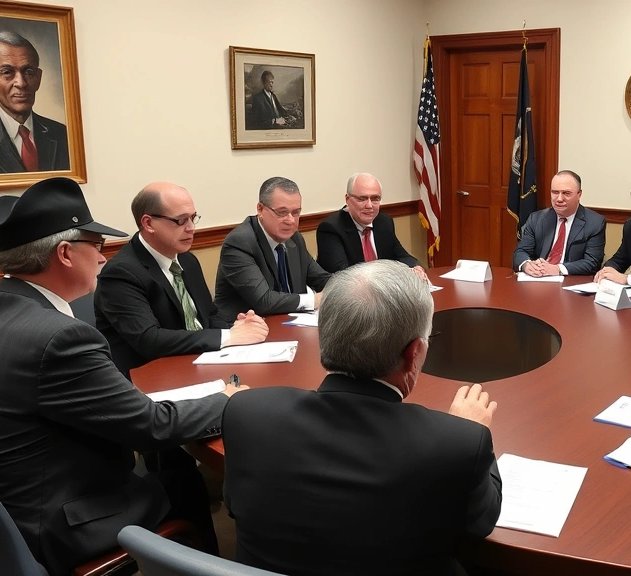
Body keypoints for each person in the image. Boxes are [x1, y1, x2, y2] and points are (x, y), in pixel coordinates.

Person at [0, 177, 242, 576]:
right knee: (182, 484)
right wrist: (229, 400)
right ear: (64, 253)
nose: (102, 258)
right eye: (96, 246)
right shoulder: (59, 337)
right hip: (57, 524)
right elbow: (151, 425)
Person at [222, 260, 501, 575]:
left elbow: (234, 506)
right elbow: (479, 524)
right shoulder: (455, 442)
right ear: (415, 353)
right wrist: (472, 428)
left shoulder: (246, 413)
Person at [94, 182, 269, 379]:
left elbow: (209, 314)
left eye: (193, 218)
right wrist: (229, 336)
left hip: (197, 364)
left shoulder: (187, 259)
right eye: (181, 220)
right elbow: (149, 340)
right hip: (150, 379)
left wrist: (237, 325)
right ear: (148, 223)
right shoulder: (121, 272)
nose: (191, 228)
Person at [214, 176, 331, 322]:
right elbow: (264, 300)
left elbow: (321, 278)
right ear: (260, 209)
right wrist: (314, 300)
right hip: (242, 331)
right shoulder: (240, 243)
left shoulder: (295, 238)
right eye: (282, 212)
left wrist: (345, 287)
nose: (291, 220)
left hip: (288, 325)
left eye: (296, 212)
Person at [0, 31, 69, 175]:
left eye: (29, 72)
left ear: (38, 78)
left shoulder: (64, 136)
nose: (21, 83)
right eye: (7, 72)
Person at [316, 173, 429, 282]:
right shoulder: (331, 228)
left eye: (375, 199)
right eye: (362, 199)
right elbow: (344, 274)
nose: (369, 205)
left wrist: (415, 267)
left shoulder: (384, 222)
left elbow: (401, 255)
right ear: (347, 199)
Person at [512, 170, 606, 277]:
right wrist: (527, 265)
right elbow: (521, 251)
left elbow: (592, 262)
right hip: (538, 281)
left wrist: (557, 269)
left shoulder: (595, 222)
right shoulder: (536, 219)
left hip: (571, 283)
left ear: (579, 194)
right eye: (555, 192)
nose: (559, 199)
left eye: (566, 193)